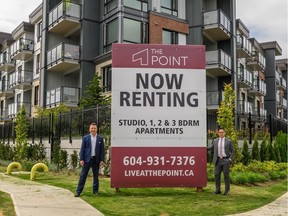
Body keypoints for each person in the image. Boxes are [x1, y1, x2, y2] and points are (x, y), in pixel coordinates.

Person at [75, 123, 105, 197]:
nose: (93, 129)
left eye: (94, 128)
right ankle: (78, 191)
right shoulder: (85, 138)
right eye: (92, 128)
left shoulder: (100, 139)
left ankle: (95, 191)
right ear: (89, 129)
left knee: (96, 176)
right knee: (83, 176)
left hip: (96, 160)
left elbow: (102, 150)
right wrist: (81, 159)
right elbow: (82, 149)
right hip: (87, 160)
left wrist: (102, 160)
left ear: (97, 129)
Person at [207, 128, 234, 195]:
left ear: (224, 133)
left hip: (225, 160)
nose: (221, 133)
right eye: (220, 132)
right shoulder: (215, 141)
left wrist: (230, 159)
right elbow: (211, 147)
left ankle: (227, 190)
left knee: (226, 175)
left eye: (222, 132)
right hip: (217, 160)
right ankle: (218, 190)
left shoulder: (229, 141)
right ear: (218, 133)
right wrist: (204, 148)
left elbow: (233, 151)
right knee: (217, 175)